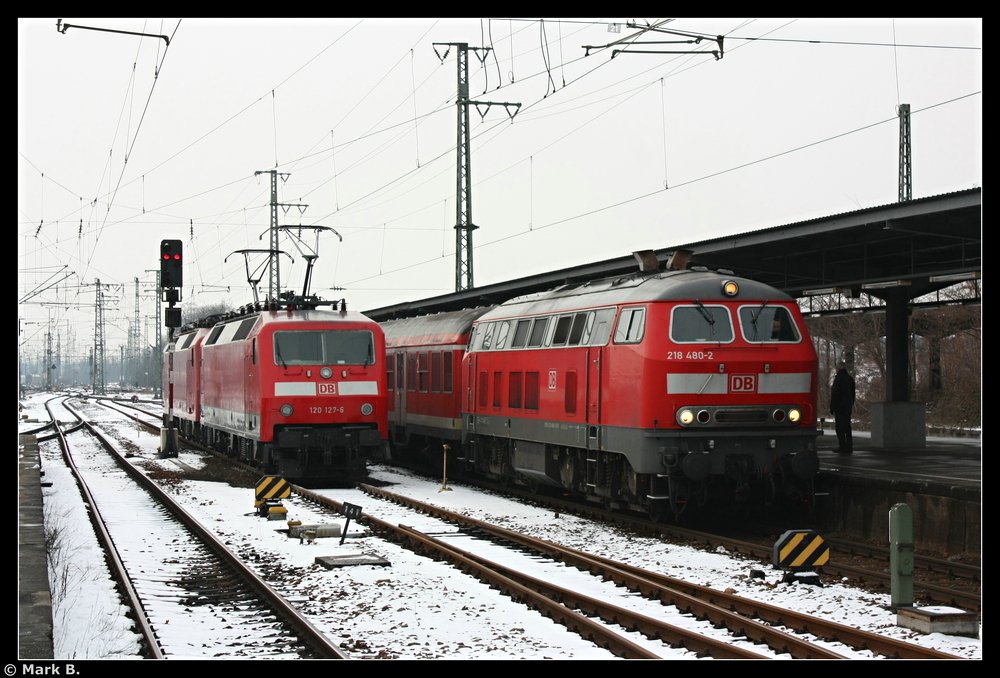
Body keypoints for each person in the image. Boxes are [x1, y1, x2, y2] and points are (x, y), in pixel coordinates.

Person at [830, 361, 856, 454]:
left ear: (838, 369)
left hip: (839, 407)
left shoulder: (838, 379)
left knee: (840, 428)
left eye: (836, 368)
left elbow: (835, 395)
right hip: (847, 407)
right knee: (847, 427)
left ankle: (842, 446)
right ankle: (849, 446)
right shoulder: (849, 379)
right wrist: (850, 404)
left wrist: (832, 407)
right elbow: (853, 394)